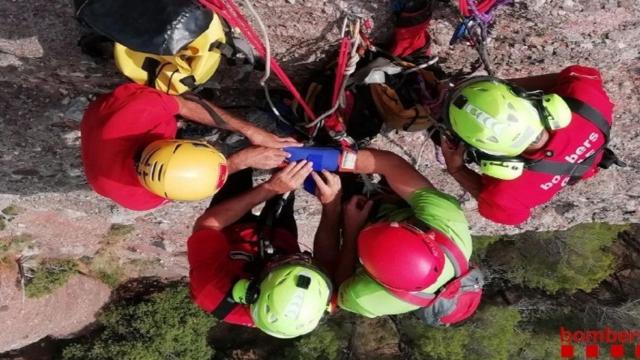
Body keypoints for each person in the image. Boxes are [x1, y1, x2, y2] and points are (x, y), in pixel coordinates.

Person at [308, 148, 481, 325]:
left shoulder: (374, 300)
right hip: (397, 205)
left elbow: (332, 283)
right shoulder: (449, 226)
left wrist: (334, 209)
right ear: (424, 234)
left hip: (359, 226)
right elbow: (391, 165)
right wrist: (331, 158)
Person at [440, 65, 620, 225]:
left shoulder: (587, 100)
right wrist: (458, 169)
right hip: (585, 163)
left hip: (588, 153)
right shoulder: (509, 195)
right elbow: (509, 215)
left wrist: (506, 88)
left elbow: (577, 75)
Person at [187, 160, 345, 338]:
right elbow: (327, 258)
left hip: (229, 230)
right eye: (308, 262)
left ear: (248, 289)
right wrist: (332, 204)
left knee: (235, 167)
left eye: (288, 260)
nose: (303, 257)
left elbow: (207, 225)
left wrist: (270, 188)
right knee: (288, 175)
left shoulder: (211, 290)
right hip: (279, 237)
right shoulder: (319, 295)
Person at [80, 83, 300, 211]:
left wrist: (251, 131)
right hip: (112, 135)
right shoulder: (142, 197)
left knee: (249, 119)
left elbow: (183, 103)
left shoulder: (138, 111)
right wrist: (240, 161)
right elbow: (195, 182)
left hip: (122, 110)